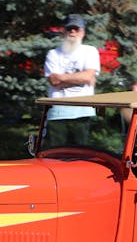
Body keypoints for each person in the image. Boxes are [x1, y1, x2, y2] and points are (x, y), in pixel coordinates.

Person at [43, 14, 100, 145]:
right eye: (69, 29)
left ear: (82, 32)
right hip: (57, 112)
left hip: (82, 112)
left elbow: (87, 76)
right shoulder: (53, 54)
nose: (72, 32)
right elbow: (53, 81)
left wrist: (62, 78)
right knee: (56, 153)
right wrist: (80, 76)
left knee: (81, 153)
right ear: (63, 31)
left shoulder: (90, 51)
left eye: (76, 29)